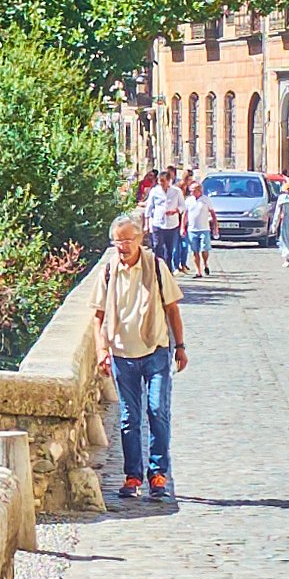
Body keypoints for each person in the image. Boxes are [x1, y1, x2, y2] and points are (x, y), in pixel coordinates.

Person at [99, 214, 186, 502]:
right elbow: (98, 314)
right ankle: (133, 475)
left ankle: (158, 474)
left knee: (157, 411)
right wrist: (102, 350)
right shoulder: (110, 271)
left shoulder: (157, 268)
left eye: (127, 240)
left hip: (156, 350)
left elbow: (173, 310)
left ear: (140, 239)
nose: (122, 246)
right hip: (122, 353)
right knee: (129, 418)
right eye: (117, 241)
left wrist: (181, 347)